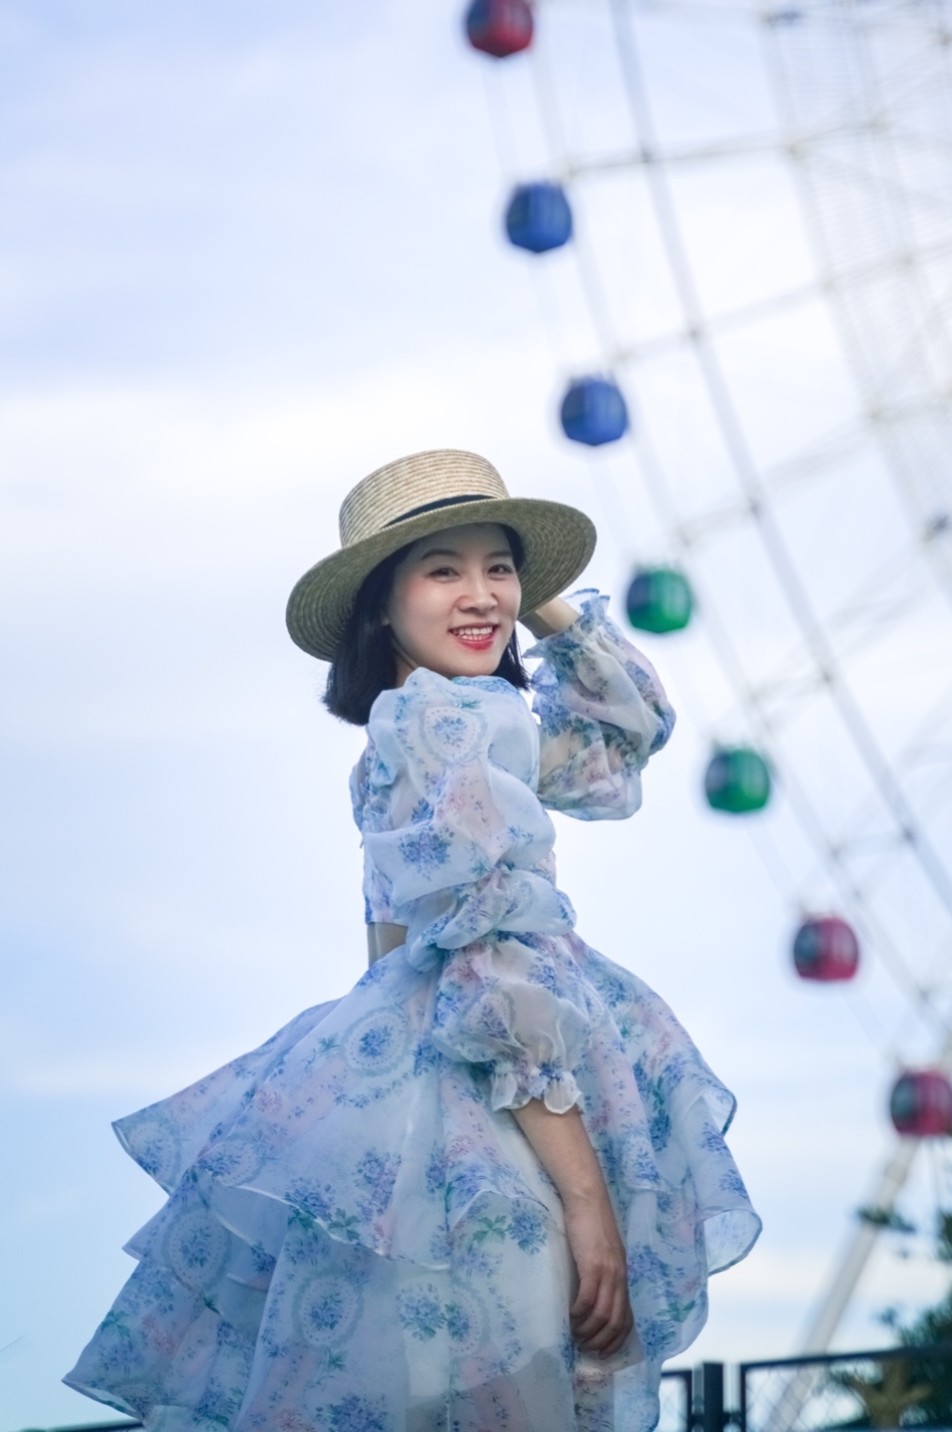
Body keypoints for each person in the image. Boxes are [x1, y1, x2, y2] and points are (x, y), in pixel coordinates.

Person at [65, 448, 760, 1431]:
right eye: (442, 570)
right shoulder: (446, 726)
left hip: (410, 1109)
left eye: (500, 567)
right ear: (379, 607)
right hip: (490, 1123)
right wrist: (587, 1200)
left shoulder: (457, 720)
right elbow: (487, 958)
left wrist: (546, 605)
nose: (482, 597)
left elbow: (625, 727)